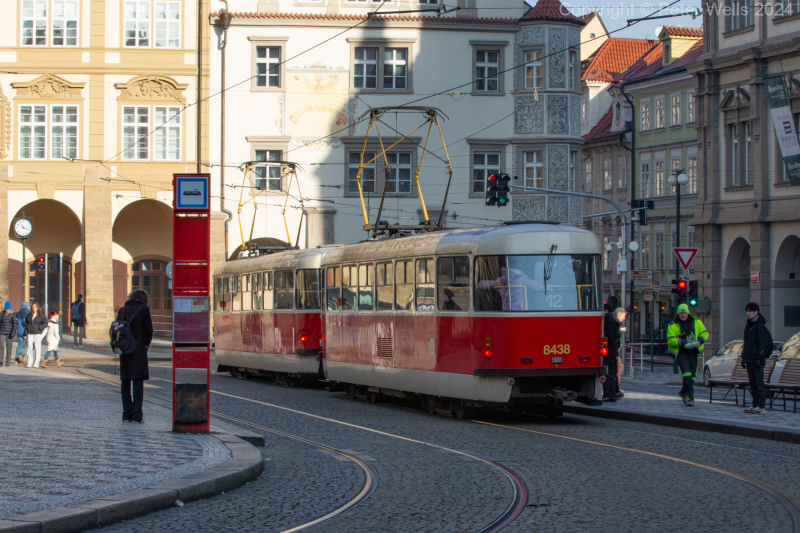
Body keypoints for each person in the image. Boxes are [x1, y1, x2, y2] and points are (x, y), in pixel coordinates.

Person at [117, 290, 153, 423]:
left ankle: (126, 414)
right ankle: (137, 415)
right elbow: (149, 330)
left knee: (125, 381)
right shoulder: (144, 310)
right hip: (138, 350)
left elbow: (117, 330)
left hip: (125, 350)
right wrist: (145, 345)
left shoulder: (122, 310)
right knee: (138, 382)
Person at [667, 303, 709, 407]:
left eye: (684, 312)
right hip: (681, 353)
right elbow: (670, 340)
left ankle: (683, 392)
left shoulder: (696, 322)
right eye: (681, 313)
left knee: (693, 377)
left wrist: (699, 341)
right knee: (687, 375)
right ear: (678, 314)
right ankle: (690, 398)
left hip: (693, 353)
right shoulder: (673, 324)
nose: (682, 315)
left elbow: (705, 333)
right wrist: (683, 341)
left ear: (688, 313)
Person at [742, 302, 772, 415]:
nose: (748, 313)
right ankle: (755, 404)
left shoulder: (760, 327)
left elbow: (762, 344)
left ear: (756, 312)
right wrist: (744, 358)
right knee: (752, 383)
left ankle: (761, 405)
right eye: (747, 311)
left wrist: (760, 357)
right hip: (750, 359)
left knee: (759, 383)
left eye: (750, 311)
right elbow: (746, 344)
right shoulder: (748, 327)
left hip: (757, 360)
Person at [478, 266, 544, 311]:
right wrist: (548, 288)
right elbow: (535, 285)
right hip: (520, 309)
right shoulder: (522, 279)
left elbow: (483, 284)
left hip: (506, 309)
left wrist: (480, 284)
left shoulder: (500, 281)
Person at [603, 305, 623, 401]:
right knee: (611, 372)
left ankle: (610, 394)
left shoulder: (608, 321)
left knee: (609, 372)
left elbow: (611, 337)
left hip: (609, 352)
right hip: (611, 351)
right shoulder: (611, 320)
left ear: (606, 310)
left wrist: (603, 342)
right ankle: (614, 392)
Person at [25, 302, 47, 368]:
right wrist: (27, 328)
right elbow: (26, 323)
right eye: (32, 307)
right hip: (30, 332)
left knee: (37, 348)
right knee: (29, 347)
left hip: (37, 333)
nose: (33, 308)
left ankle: (36, 363)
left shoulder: (41, 315)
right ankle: (29, 362)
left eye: (35, 307)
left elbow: (45, 323)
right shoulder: (29, 315)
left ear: (37, 307)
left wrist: (40, 328)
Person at [0, 301, 18, 366]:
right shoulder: (2, 314)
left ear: (10, 309)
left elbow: (15, 325)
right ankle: (1, 361)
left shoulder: (13, 315)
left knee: (9, 347)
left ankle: (7, 361)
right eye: (6, 309)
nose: (7, 310)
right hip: (2, 332)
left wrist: (13, 333)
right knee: (1, 346)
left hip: (9, 333)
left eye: (8, 309)